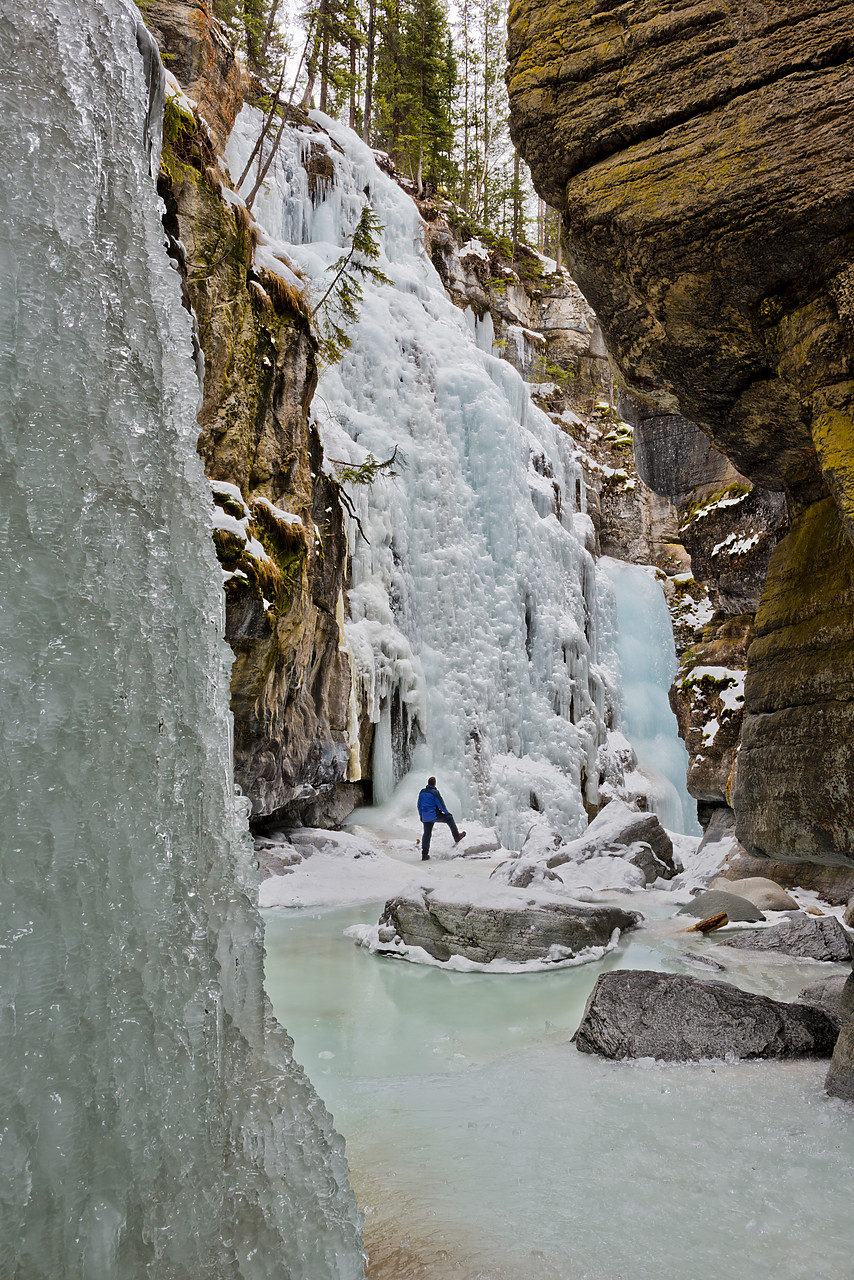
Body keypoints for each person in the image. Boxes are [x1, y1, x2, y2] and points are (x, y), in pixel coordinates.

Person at [417, 776, 466, 860]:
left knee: (427, 834)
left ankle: (424, 854)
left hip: (425, 816)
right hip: (434, 815)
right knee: (449, 818)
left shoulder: (422, 792)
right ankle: (457, 836)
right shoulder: (435, 792)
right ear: (435, 784)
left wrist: (421, 816)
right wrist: (447, 813)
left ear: (428, 783)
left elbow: (419, 805)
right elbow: (441, 805)